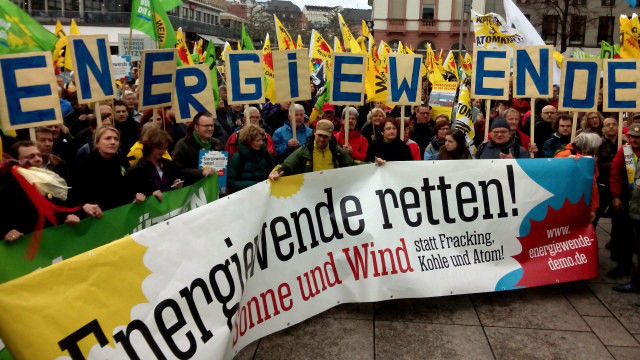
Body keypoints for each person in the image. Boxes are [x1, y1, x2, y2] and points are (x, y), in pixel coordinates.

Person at [269, 120, 357, 179]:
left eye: (325, 136)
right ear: (314, 132)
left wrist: (370, 166)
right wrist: (276, 172)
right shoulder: (304, 150)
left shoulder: (336, 151)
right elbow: (286, 165)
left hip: (332, 192)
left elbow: (353, 165)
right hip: (312, 195)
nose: (322, 139)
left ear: (330, 136)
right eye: (320, 135)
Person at [72, 126, 132, 211]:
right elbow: (77, 194)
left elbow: (129, 186)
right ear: (97, 143)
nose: (113, 142)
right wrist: (84, 205)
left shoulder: (122, 160)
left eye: (116, 139)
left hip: (121, 211)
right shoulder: (85, 164)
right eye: (108, 138)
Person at [609, 125, 640, 285]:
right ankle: (623, 265)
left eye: (637, 137)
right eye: (631, 136)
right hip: (626, 195)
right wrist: (615, 196)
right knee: (622, 233)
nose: (634, 140)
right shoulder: (625, 151)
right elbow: (615, 174)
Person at [554, 132, 602, 223]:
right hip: (565, 203)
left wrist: (593, 209)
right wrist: (566, 163)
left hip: (582, 203)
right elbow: (553, 173)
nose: (597, 150)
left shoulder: (590, 159)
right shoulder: (565, 155)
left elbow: (593, 185)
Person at [126, 129, 181, 202]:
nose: (163, 151)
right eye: (160, 148)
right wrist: (150, 195)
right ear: (150, 147)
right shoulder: (136, 170)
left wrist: (176, 184)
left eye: (165, 148)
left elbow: (170, 185)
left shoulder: (169, 164)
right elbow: (131, 195)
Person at [172, 112, 223, 185]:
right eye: (206, 126)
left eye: (212, 125)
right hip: (193, 190)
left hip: (214, 187)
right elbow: (176, 170)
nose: (210, 128)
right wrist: (201, 172)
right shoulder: (183, 145)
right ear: (196, 127)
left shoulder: (217, 143)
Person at [228, 124, 274, 192]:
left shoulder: (266, 154)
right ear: (248, 141)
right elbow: (231, 182)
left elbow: (273, 170)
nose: (261, 143)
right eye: (258, 140)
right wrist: (253, 184)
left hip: (265, 192)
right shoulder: (237, 158)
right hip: (246, 195)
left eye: (262, 140)